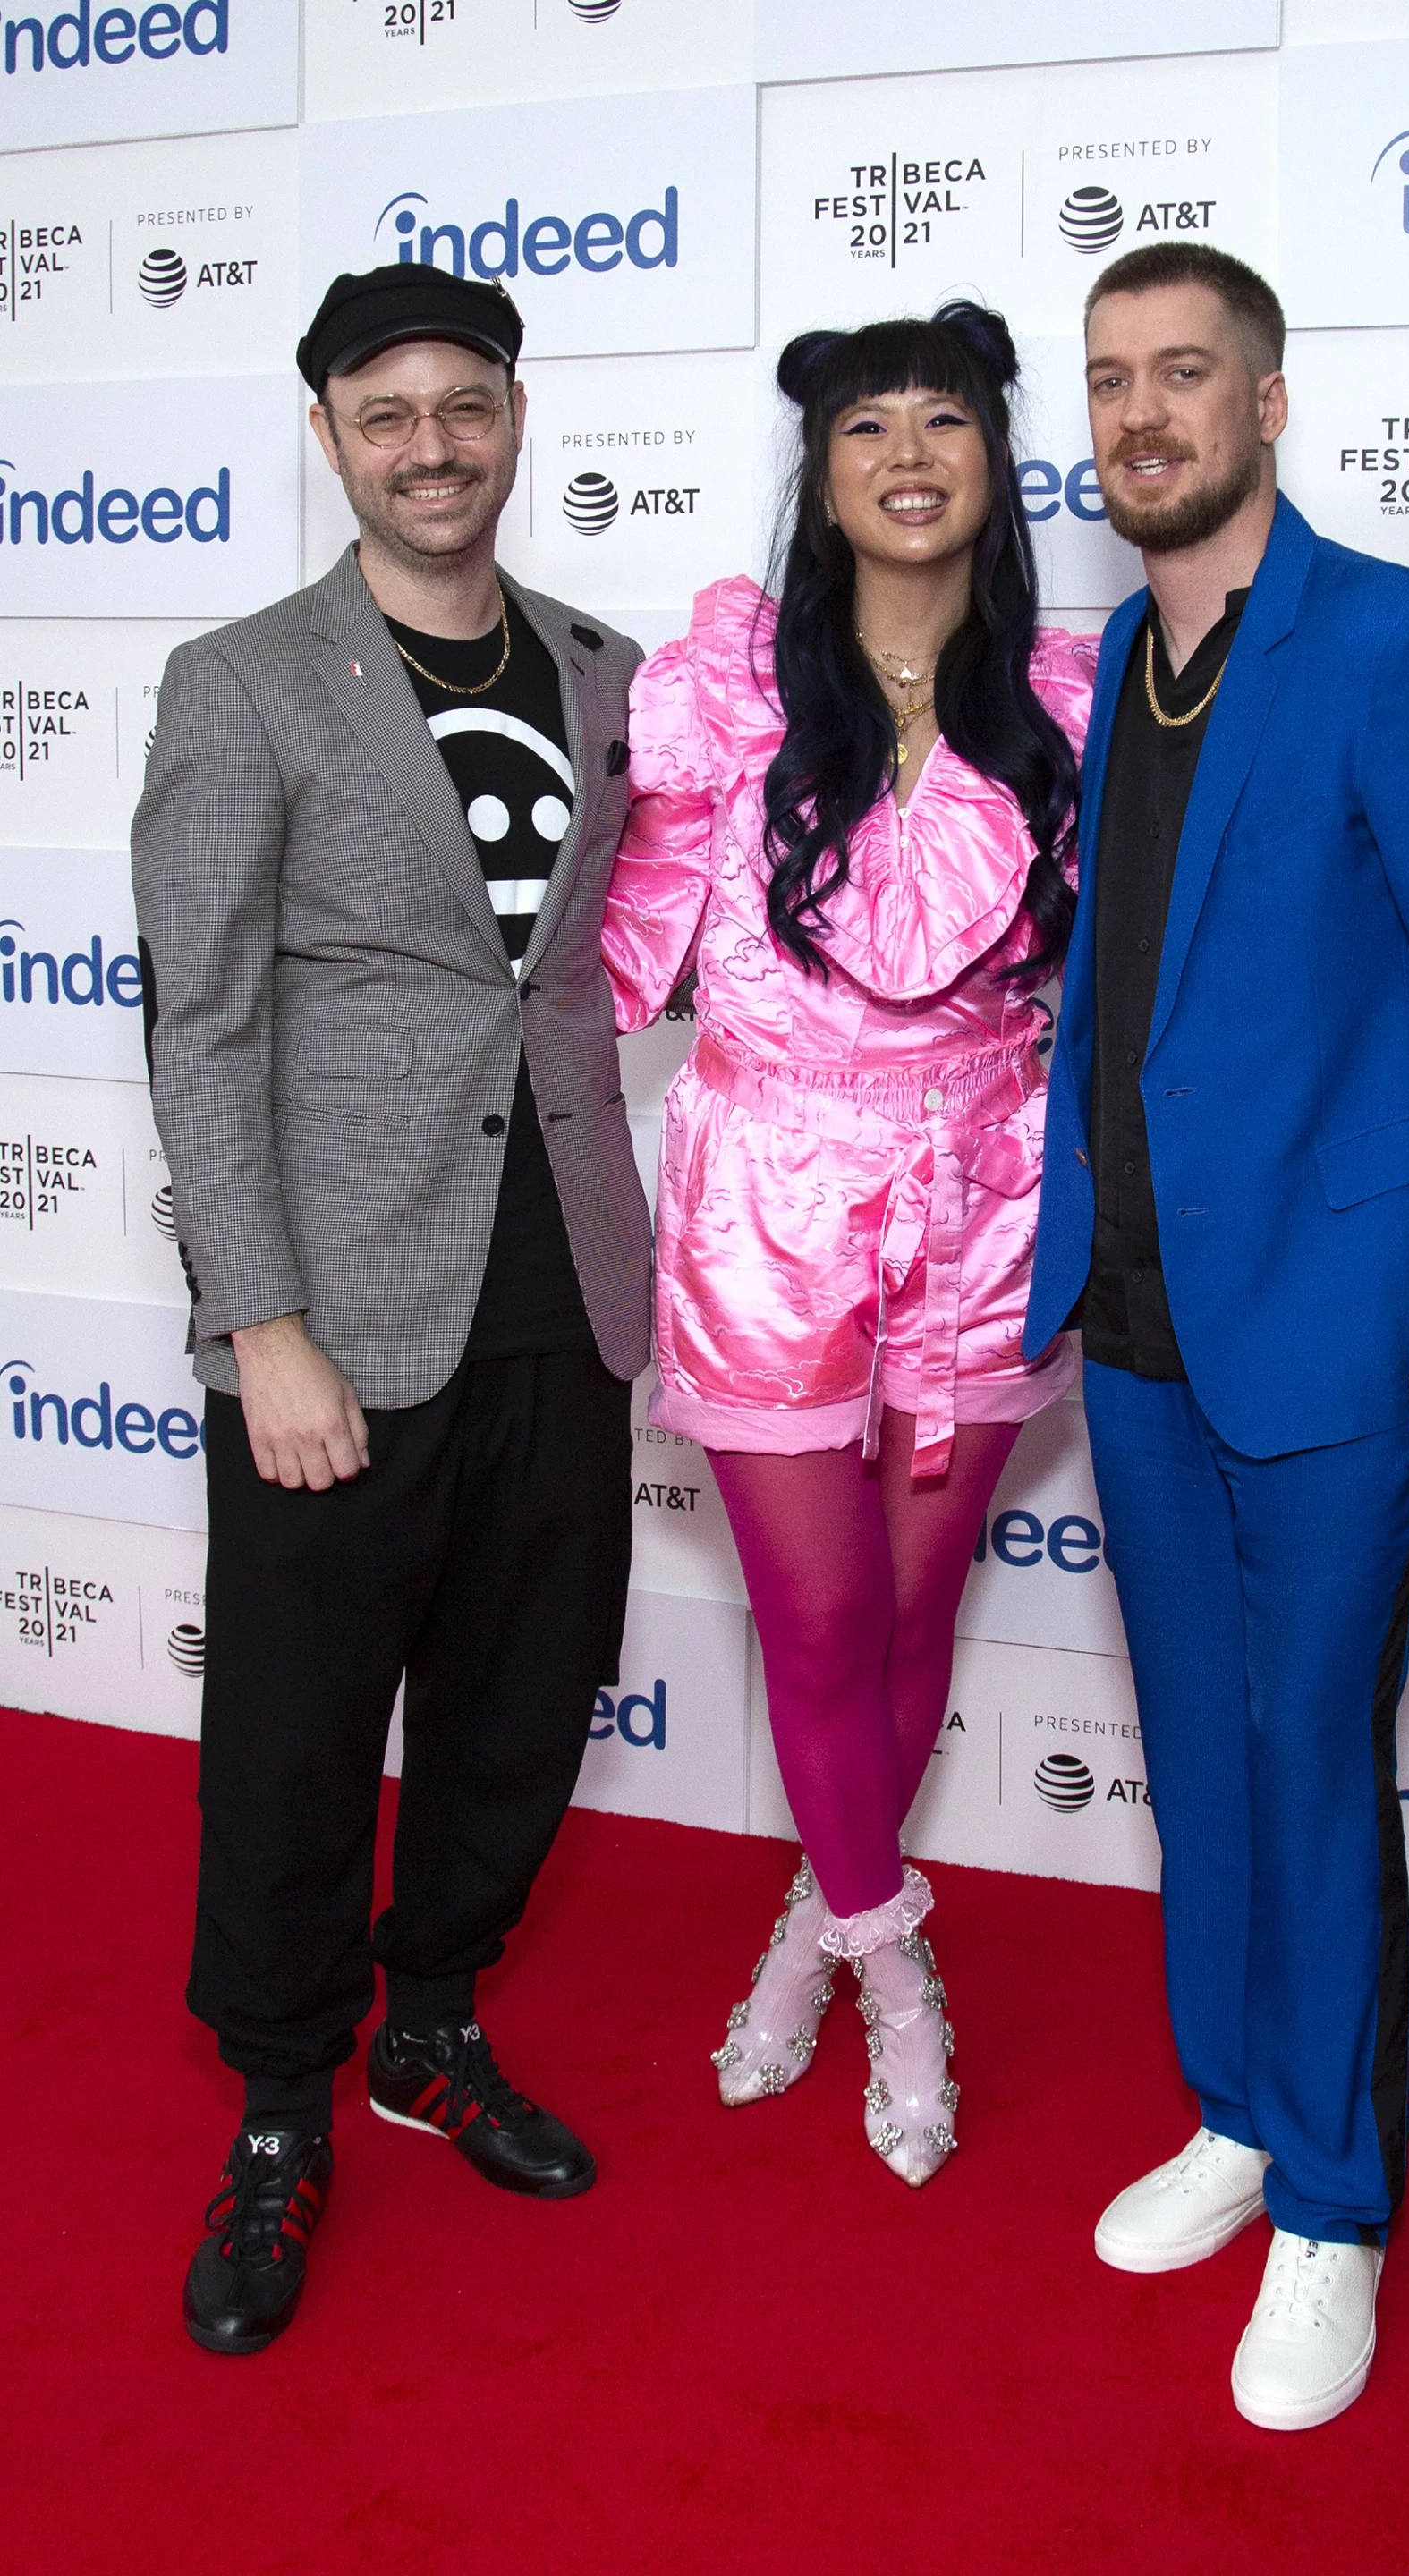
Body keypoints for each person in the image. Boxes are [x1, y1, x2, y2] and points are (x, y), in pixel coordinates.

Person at [1024, 243, 1409, 2428]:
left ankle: (1338, 2206)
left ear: (1268, 401)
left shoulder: (1389, 642)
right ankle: (1246, 2111)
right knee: (1201, 1756)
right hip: (1146, 1326)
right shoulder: (1117, 671)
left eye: (1184, 375)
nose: (1141, 413)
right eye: (1110, 384)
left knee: (1310, 1763)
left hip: (1350, 1333)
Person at [132, 263, 651, 2355]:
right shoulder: (246, 676)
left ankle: (429, 2028)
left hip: (567, 1287)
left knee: (524, 1699)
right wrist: (260, 1323)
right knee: (291, 1731)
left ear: (516, 415)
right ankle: (278, 2106)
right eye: (387, 412)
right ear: (331, 433)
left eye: (467, 404)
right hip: (337, 1309)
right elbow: (205, 1016)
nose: (433, 443)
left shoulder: (610, 667)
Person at [602, 303, 1097, 2185]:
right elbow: (613, 954)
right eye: (870, 424)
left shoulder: (1064, 702)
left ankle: (827, 1912)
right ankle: (892, 1965)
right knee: (814, 1617)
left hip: (987, 1204)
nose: (909, 452)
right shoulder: (722, 692)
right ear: (820, 474)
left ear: (992, 461)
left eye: (947, 420)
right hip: (766, 1216)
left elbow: (1134, 963)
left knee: (912, 1612)